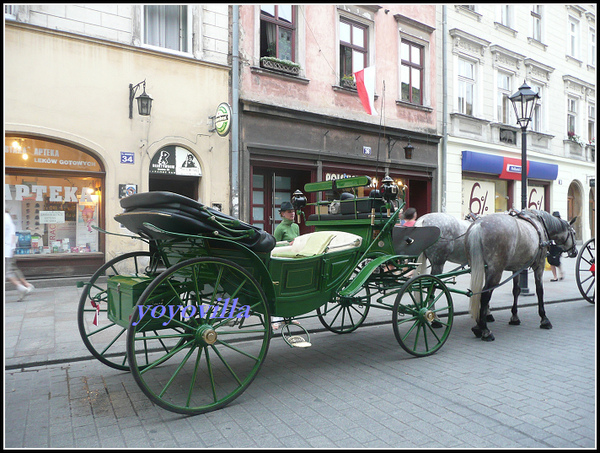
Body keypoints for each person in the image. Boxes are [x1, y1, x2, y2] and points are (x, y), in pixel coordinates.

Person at [272, 201, 301, 330]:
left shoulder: (295, 227)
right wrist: (287, 244)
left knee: (291, 288)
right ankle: (276, 319)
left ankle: (290, 317)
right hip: (282, 261)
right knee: (280, 289)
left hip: (293, 259)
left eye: (293, 211)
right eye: (289, 212)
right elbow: (274, 245)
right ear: (282, 214)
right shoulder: (280, 229)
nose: (292, 214)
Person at [5, 210, 35, 300]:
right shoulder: (8, 218)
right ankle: (25, 285)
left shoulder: (5, 218)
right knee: (12, 269)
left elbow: (11, 235)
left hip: (7, 250)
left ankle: (22, 287)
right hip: (9, 250)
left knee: (8, 272)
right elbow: (12, 235)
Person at [548, 211, 564, 282]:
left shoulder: (561, 226)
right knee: (551, 261)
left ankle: (561, 273)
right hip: (551, 245)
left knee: (557, 260)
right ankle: (555, 276)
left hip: (558, 245)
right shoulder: (550, 226)